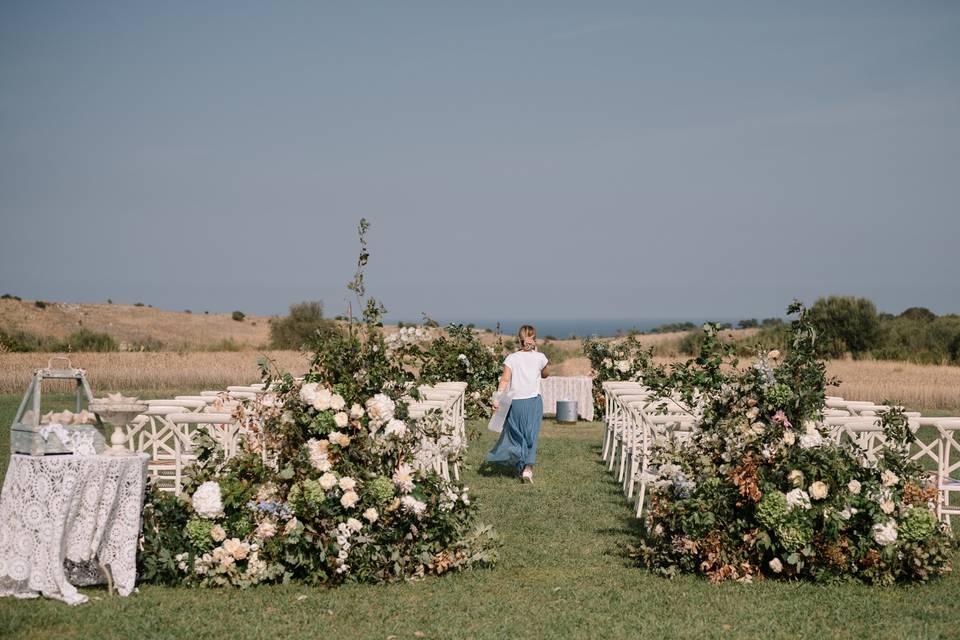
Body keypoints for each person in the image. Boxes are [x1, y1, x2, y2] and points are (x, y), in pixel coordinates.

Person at [485, 324, 549, 483]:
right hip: (534, 401)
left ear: (519, 340)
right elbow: (546, 374)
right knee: (531, 435)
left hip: (516, 403)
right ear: (533, 339)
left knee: (517, 434)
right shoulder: (540, 357)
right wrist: (538, 353)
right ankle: (527, 468)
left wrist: (497, 398)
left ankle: (521, 466)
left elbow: (505, 380)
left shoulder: (512, 358)